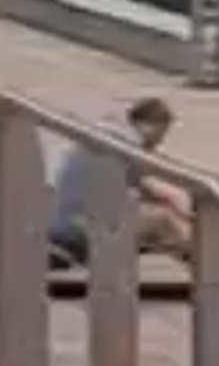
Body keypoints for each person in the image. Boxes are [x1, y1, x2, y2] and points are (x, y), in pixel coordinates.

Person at [45, 92, 189, 271]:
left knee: (156, 217)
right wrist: (184, 212)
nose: (160, 142)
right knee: (164, 221)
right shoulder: (130, 144)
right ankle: (208, 269)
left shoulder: (98, 136)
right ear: (152, 125)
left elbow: (136, 188)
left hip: (59, 226)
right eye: (162, 134)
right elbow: (153, 191)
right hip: (84, 232)